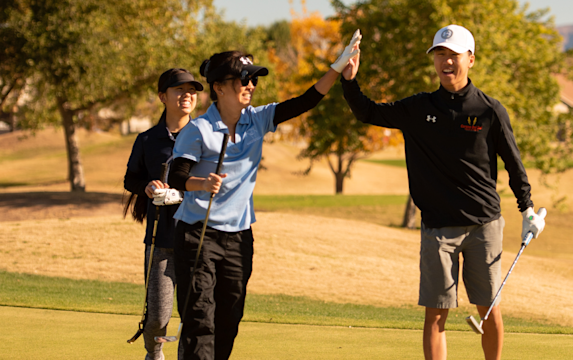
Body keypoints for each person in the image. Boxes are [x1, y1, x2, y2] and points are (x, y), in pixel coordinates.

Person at [339, 25, 545, 360]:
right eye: (440, 54)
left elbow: (514, 164)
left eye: (454, 55)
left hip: (484, 225)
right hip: (437, 227)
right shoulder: (418, 108)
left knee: (488, 308)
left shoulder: (489, 111)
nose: (446, 61)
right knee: (435, 313)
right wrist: (349, 80)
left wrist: (528, 210)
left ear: (471, 59)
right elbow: (367, 112)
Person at [166, 30, 362, 360]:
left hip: (239, 236)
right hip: (197, 234)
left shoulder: (258, 120)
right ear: (219, 87)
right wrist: (202, 184)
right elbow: (178, 176)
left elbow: (306, 101)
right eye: (243, 80)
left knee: (229, 319)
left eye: (253, 80)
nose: (250, 86)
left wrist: (337, 66)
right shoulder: (198, 129)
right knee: (200, 318)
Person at [124, 68, 203, 360]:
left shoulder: (205, 136)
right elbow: (130, 180)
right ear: (162, 97)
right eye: (179, 90)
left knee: (193, 313)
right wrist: (147, 187)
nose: (187, 96)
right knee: (157, 316)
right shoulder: (148, 140)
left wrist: (183, 193)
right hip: (160, 240)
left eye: (192, 90)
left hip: (197, 238)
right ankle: (154, 353)